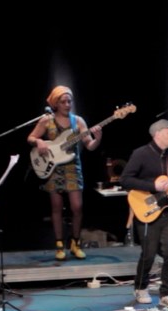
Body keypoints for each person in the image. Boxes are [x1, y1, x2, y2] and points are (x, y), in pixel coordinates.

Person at [119, 119, 168, 309]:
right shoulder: (141, 153)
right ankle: (140, 287)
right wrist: (152, 185)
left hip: (167, 212)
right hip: (146, 210)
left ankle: (166, 293)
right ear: (158, 133)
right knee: (149, 254)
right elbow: (125, 180)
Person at [27, 85, 102, 261]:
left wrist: (98, 139)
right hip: (53, 168)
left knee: (77, 207)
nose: (67, 105)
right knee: (56, 208)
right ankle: (59, 245)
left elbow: (90, 146)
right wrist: (39, 142)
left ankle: (75, 243)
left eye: (69, 101)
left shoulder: (78, 121)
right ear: (55, 103)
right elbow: (30, 138)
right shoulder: (47, 120)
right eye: (63, 102)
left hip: (72, 168)